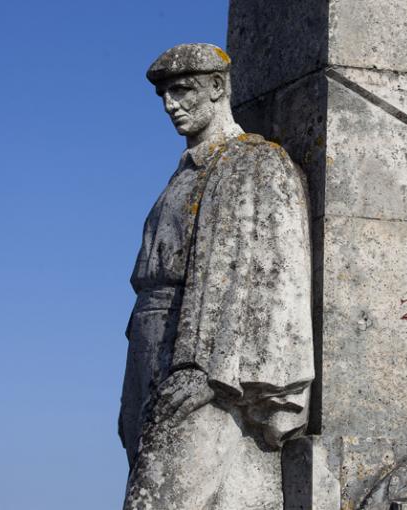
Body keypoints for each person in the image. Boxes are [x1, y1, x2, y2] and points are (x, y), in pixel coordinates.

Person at [118, 43, 314, 509]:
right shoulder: (181, 176)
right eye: (164, 94)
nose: (171, 105)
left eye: (182, 90)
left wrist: (208, 367)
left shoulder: (251, 162)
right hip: (149, 347)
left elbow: (266, 278)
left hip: (203, 362)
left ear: (218, 87)